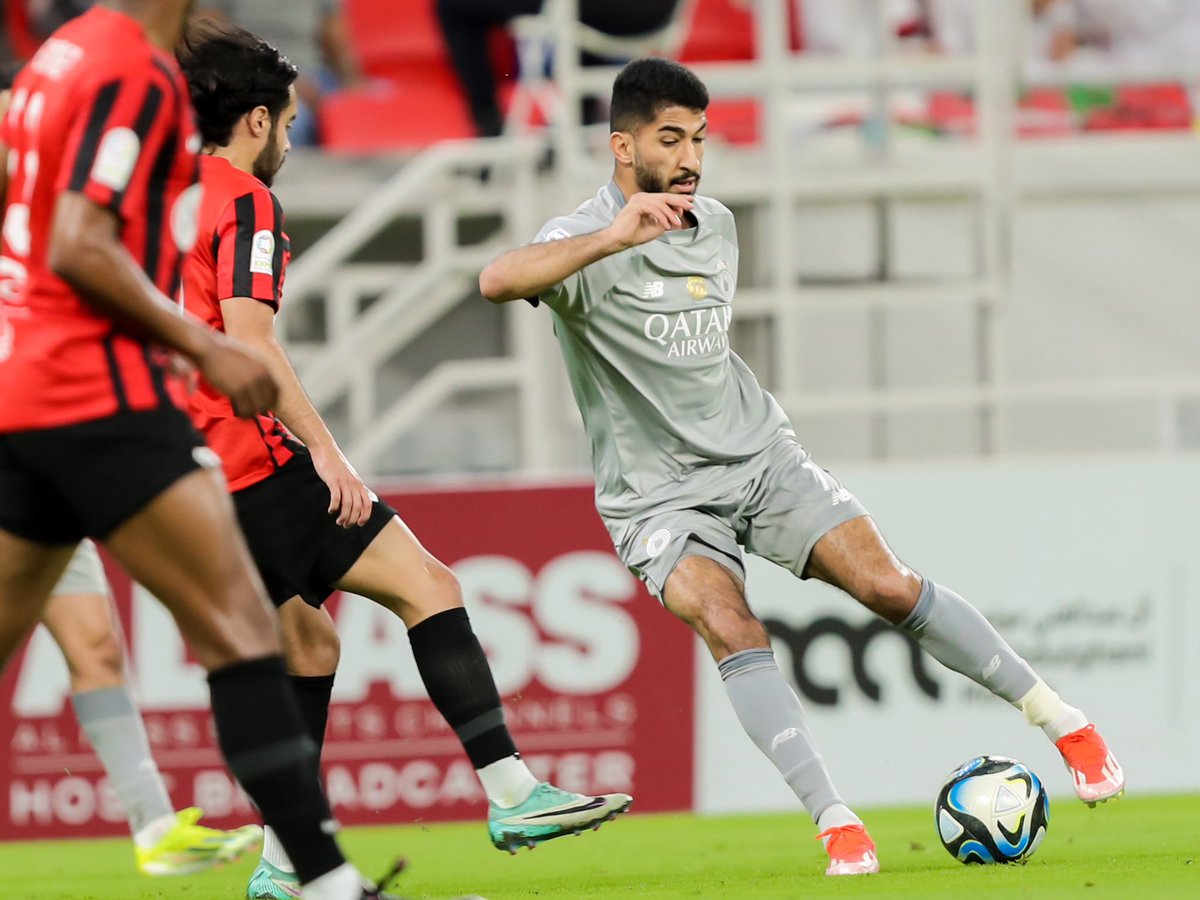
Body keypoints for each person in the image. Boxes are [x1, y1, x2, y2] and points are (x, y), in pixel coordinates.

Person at [478, 56, 1126, 877]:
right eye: (669, 139)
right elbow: (495, 281)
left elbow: (698, 359)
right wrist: (613, 236)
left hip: (759, 458)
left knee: (887, 584)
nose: (689, 158)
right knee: (731, 623)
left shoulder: (715, 224)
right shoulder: (578, 241)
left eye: (699, 140)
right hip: (658, 501)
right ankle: (836, 821)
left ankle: (1065, 721)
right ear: (621, 147)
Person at [176, 21, 630, 899]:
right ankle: (512, 793)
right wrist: (332, 457)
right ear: (258, 121)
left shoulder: (156, 196)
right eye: (291, 120)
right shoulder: (241, 199)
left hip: (183, 480)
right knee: (430, 586)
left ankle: (282, 868)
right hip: (250, 457)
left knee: (307, 642)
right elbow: (254, 343)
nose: (294, 139)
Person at [0, 3, 399, 898]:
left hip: (22, 391)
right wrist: (204, 345)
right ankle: (327, 883)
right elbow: (76, 244)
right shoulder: (133, 74)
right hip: (97, 396)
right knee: (241, 627)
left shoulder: (61, 55)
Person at [436, 0, 683, 138]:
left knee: (453, 4)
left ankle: (488, 124)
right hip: (658, 17)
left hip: (587, 12)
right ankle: (580, 118)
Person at [197, 0, 363, 146]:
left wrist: (353, 87)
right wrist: (278, 79)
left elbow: (336, 43)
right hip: (248, 74)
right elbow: (210, 37)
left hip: (310, 75)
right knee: (290, 122)